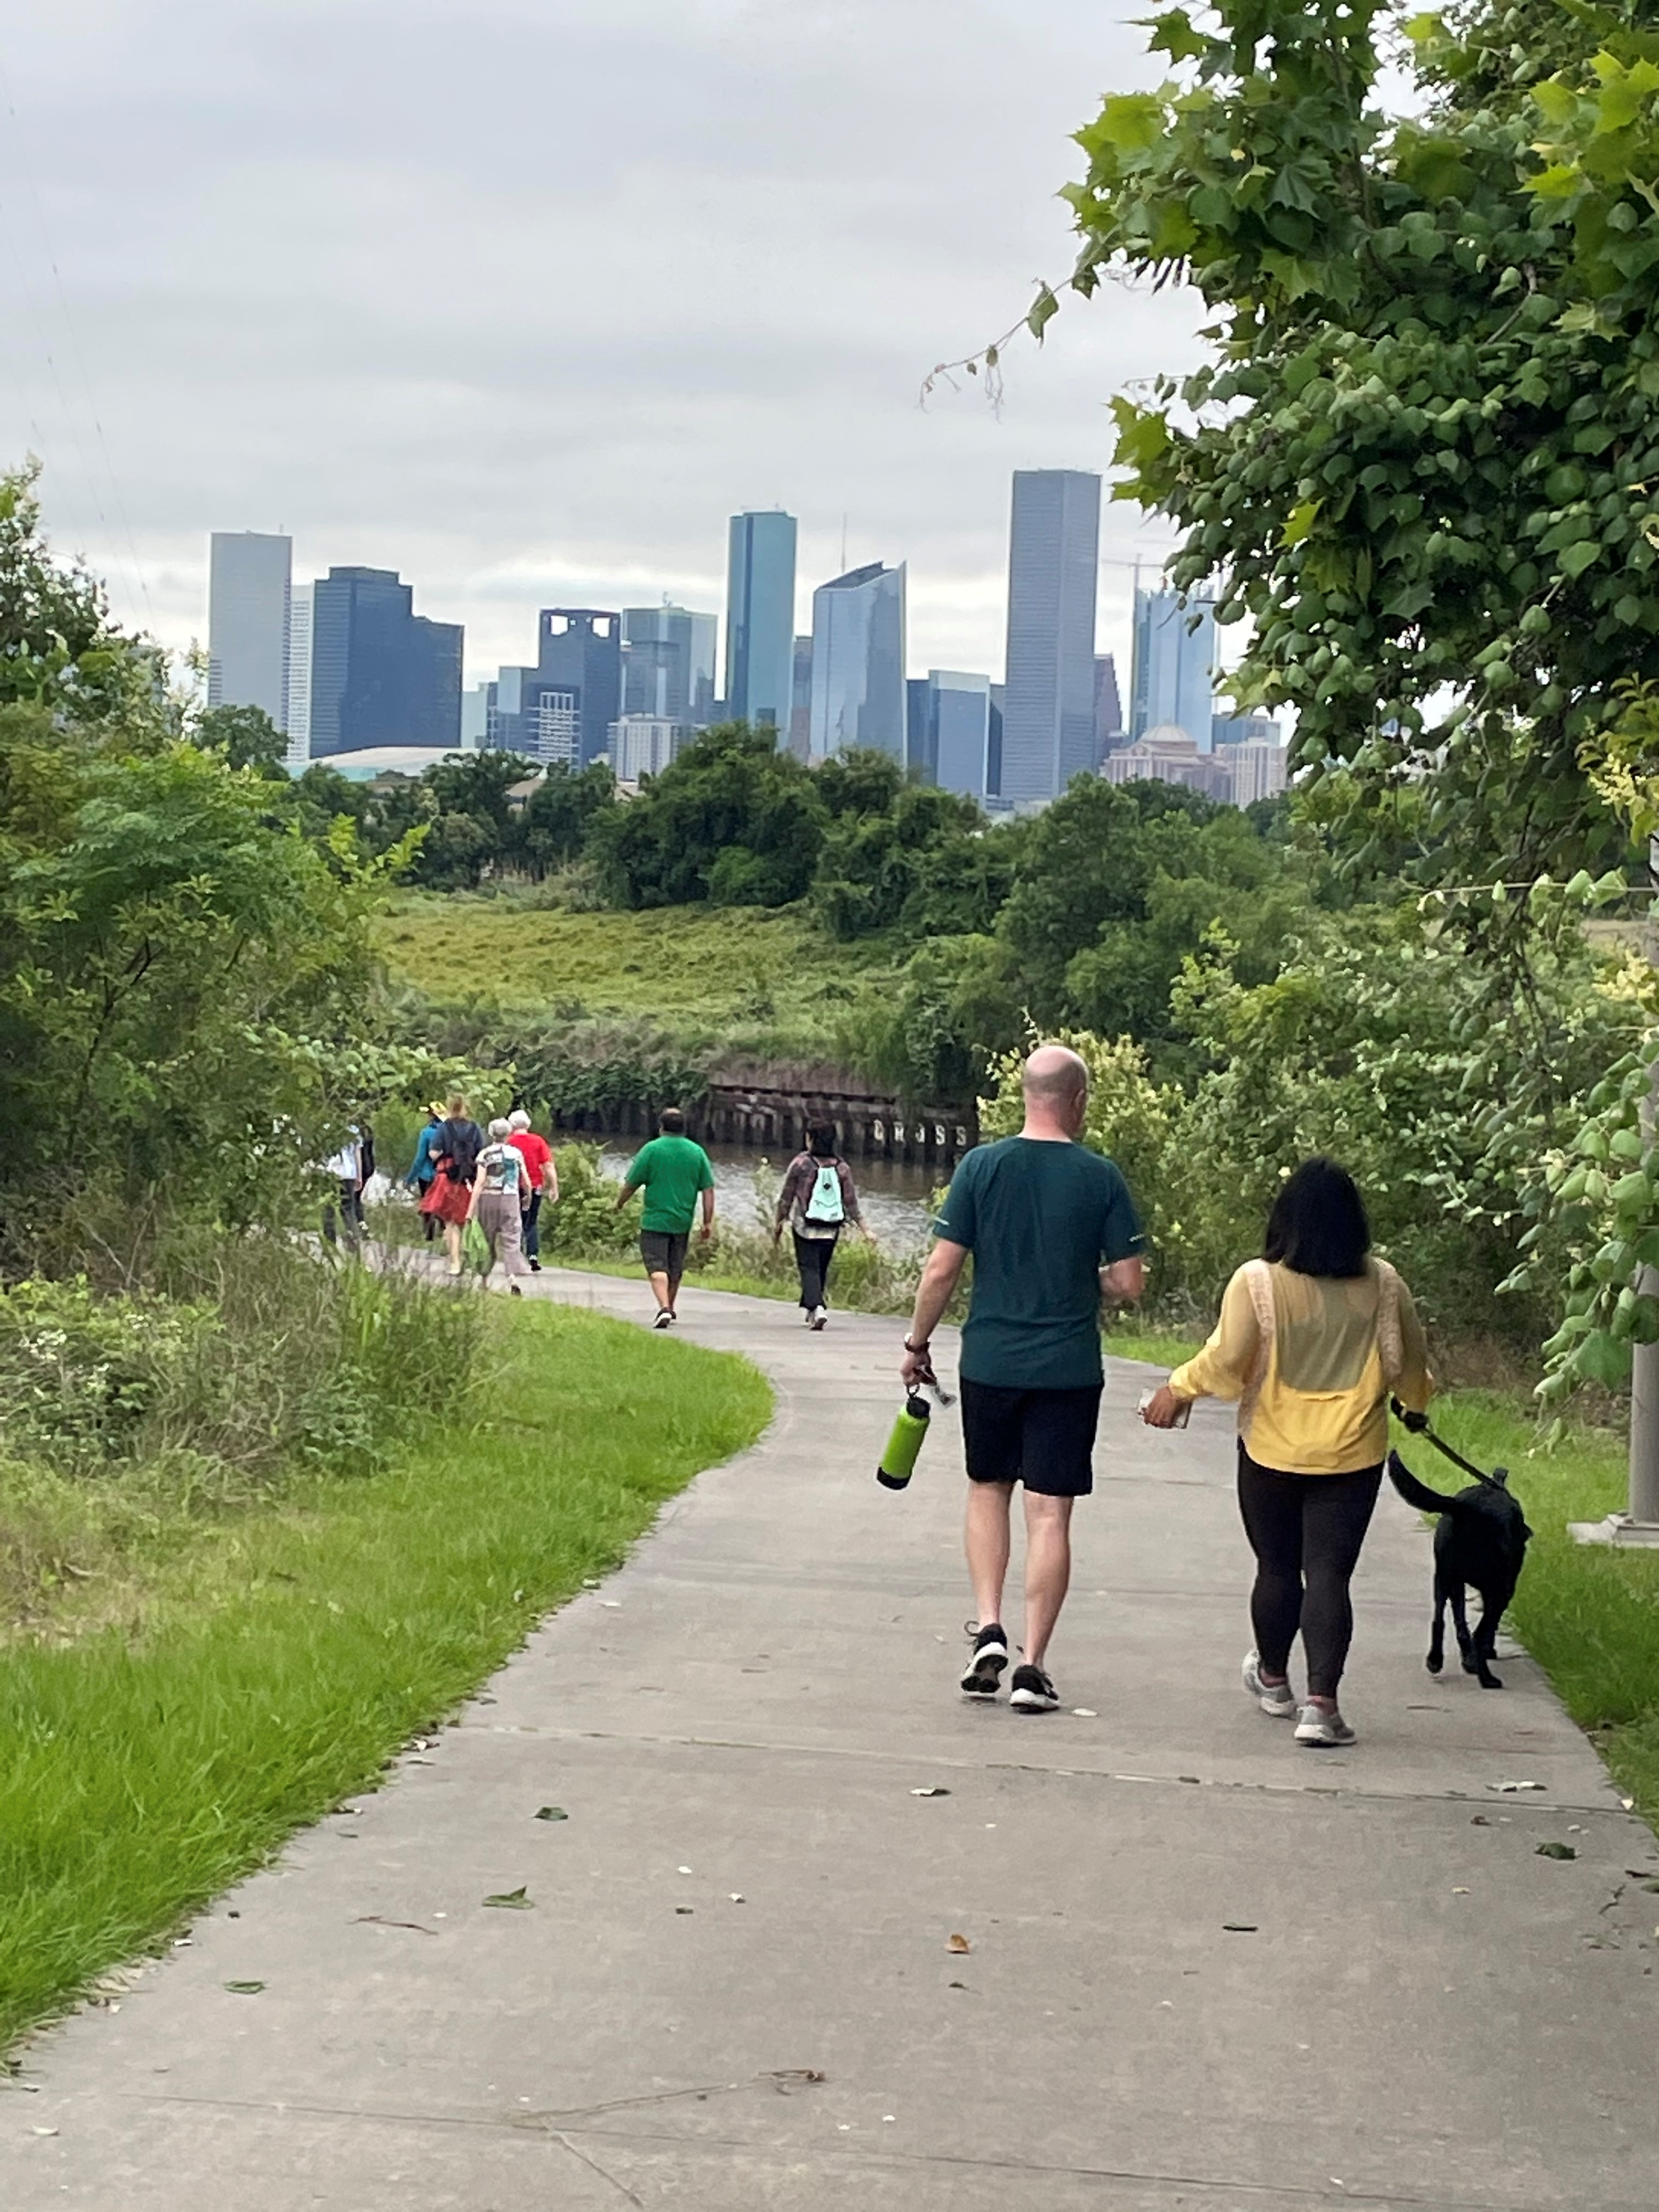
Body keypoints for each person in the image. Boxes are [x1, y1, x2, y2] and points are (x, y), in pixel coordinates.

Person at [1141, 1156, 1433, 1749]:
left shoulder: (1258, 1282)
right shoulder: (1384, 1283)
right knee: (1329, 1574)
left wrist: (1178, 1388)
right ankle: (1322, 1706)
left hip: (1271, 1448)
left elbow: (1227, 1359)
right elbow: (1410, 1361)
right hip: (1352, 1454)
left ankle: (1274, 1681)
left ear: (1285, 1221)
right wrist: (1415, 1402)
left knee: (1276, 1568)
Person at [901, 1045, 1145, 1714]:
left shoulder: (982, 1167)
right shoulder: (1101, 1177)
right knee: (1050, 1513)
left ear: (1025, 1096)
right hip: (1068, 1370)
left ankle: (989, 1626)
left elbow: (940, 1271)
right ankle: (1033, 1668)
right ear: (1079, 1100)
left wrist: (917, 1343)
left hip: (991, 1364)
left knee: (987, 1490)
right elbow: (1129, 1283)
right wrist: (1080, 1277)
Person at [614, 1106, 715, 1328]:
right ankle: (670, 1306)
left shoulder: (651, 1150)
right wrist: (708, 1223)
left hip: (655, 1220)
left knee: (657, 1266)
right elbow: (708, 1191)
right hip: (683, 1221)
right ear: (684, 1129)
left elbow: (632, 1183)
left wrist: (619, 1203)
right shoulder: (697, 1153)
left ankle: (664, 1308)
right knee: (674, 1267)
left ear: (661, 1128)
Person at [771, 1120, 873, 1329]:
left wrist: (779, 1222)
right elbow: (851, 1202)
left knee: (809, 1268)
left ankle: (817, 1308)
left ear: (811, 1139)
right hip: (831, 1228)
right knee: (820, 1269)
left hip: (804, 1227)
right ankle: (811, 1309)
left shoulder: (801, 1163)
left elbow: (786, 1197)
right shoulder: (842, 1167)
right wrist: (866, 1229)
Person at [421, 1093, 483, 1277]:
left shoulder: (444, 1128)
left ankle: (455, 1263)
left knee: (450, 1223)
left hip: (447, 1178)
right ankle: (470, 1260)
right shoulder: (474, 1128)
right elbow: (481, 1154)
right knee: (467, 1221)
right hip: (469, 1180)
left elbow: (433, 1153)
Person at [469, 1118, 531, 1293]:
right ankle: (512, 1278)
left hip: (488, 1197)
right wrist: (528, 1198)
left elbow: (480, 1182)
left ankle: (484, 1279)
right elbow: (526, 1181)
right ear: (509, 1133)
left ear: (491, 1133)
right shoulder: (516, 1154)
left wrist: (471, 1207)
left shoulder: (484, 1154)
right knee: (511, 1239)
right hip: (510, 1198)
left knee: (487, 1239)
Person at [506, 1109, 558, 1272]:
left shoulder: (509, 1142)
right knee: (531, 1221)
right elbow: (548, 1166)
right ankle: (533, 1255)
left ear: (512, 1125)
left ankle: (517, 1255)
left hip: (514, 1187)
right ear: (528, 1124)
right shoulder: (538, 1141)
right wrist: (554, 1187)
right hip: (536, 1186)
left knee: (516, 1221)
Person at [404, 1105, 443, 1243]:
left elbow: (420, 1158)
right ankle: (445, 1230)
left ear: (433, 1116)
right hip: (446, 1174)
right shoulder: (452, 1132)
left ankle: (429, 1235)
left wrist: (410, 1178)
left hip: (427, 1175)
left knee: (428, 1204)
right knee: (443, 1202)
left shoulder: (427, 1133)